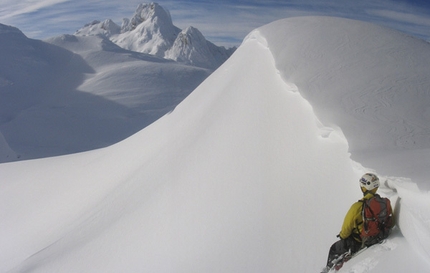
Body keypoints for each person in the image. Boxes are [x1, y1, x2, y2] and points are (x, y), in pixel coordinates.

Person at [321, 173, 393, 272]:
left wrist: (342, 236)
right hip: (381, 234)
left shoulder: (357, 206)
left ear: (364, 187)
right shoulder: (385, 202)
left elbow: (346, 229)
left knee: (335, 248)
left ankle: (330, 269)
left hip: (361, 240)